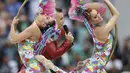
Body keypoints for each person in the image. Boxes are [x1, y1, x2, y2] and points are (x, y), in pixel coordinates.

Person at [36, 0, 120, 72]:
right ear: (91, 21)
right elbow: (116, 14)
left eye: (97, 13)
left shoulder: (93, 29)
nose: (99, 16)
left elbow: (98, 52)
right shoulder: (101, 31)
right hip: (96, 66)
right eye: (95, 17)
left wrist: (87, 61)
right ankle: (50, 66)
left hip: (96, 64)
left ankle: (50, 65)